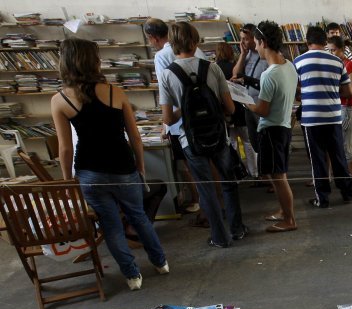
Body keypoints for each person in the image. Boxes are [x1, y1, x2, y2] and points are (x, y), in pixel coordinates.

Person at [51, 38, 167, 291]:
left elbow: (65, 148)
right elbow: (135, 136)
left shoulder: (60, 100)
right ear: (93, 61)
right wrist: (141, 166)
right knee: (139, 217)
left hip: (90, 172)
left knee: (111, 225)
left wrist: (67, 179)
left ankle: (132, 276)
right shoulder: (115, 91)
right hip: (124, 166)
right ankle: (160, 263)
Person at [159, 21, 246, 246]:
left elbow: (168, 119)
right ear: (196, 41)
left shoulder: (167, 75)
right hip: (218, 135)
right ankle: (237, 229)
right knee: (229, 182)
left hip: (190, 140)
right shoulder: (212, 68)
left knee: (206, 189)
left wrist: (185, 109)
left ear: (172, 44)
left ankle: (219, 237)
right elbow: (231, 108)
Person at [144, 17, 204, 213]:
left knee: (187, 164)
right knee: (206, 162)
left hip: (180, 121)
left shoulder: (162, 56)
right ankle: (210, 201)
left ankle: (198, 201)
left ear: (153, 38)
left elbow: (166, 91)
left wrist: (166, 123)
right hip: (205, 118)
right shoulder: (199, 51)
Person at [246, 21, 298, 232]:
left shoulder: (269, 74)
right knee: (278, 175)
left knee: (278, 177)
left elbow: (262, 110)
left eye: (256, 43)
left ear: (264, 42)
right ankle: (283, 211)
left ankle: (289, 220)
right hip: (283, 126)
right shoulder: (289, 65)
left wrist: (245, 102)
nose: (255, 48)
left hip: (271, 129)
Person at [294, 25, 352, 208]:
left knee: (318, 160)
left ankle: (323, 198)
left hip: (311, 119)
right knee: (338, 156)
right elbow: (348, 91)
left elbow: (294, 90)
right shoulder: (337, 62)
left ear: (307, 42)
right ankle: (346, 192)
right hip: (333, 116)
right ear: (325, 41)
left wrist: (304, 92)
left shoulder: (298, 61)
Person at [216, 42, 256, 177]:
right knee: (247, 141)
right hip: (241, 109)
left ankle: (237, 171)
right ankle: (254, 171)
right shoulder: (237, 67)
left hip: (226, 111)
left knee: (232, 143)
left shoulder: (215, 69)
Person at [232, 24, 268, 166]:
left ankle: (271, 177)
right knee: (254, 143)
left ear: (255, 38)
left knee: (264, 141)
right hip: (247, 104)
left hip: (261, 104)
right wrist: (242, 54)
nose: (243, 42)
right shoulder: (246, 54)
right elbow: (235, 74)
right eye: (241, 39)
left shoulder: (264, 54)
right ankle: (264, 175)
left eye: (246, 39)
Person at [328, 35, 352, 189]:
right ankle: (335, 176)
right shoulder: (336, 64)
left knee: (345, 147)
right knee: (337, 146)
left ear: (341, 50)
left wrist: (332, 92)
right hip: (338, 108)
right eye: (329, 50)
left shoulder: (349, 65)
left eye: (333, 50)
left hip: (347, 109)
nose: (331, 53)